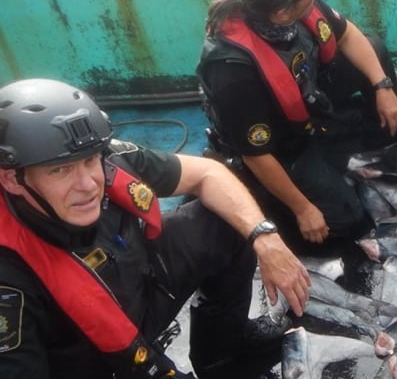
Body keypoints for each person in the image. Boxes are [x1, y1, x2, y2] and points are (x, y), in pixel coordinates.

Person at [0, 78, 311, 379]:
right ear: (13, 179)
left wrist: (265, 237)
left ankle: (222, 355)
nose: (88, 184)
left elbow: (209, 174)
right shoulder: (7, 280)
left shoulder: (109, 159)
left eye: (89, 160)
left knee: (229, 221)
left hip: (140, 283)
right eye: (60, 170)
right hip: (89, 352)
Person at [197, 0, 397, 254]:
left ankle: (379, 132)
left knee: (375, 49)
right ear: (281, 11)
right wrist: (303, 209)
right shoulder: (232, 73)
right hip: (279, 144)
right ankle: (261, 197)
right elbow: (256, 154)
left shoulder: (296, 4)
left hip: (306, 89)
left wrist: (382, 86)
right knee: (347, 223)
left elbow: (346, 34)